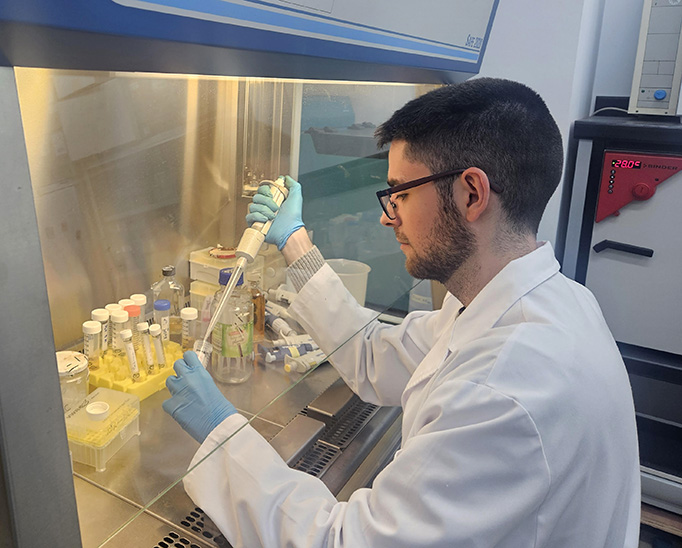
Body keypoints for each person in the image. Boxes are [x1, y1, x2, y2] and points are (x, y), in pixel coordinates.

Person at [162, 78, 640, 547]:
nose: (386, 215)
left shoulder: (504, 389)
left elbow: (343, 542)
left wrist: (222, 435)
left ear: (472, 194)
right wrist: (294, 241)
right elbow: (374, 355)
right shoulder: (539, 302)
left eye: (401, 193)